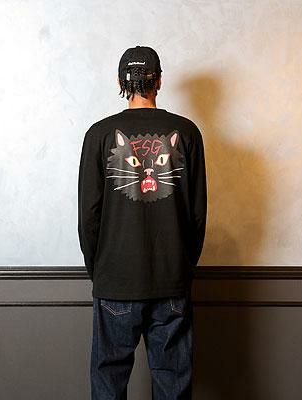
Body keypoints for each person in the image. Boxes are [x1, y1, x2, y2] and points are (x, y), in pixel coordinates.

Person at [78, 45, 207, 400]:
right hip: (171, 279)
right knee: (173, 388)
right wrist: (182, 268)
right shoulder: (187, 133)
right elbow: (197, 215)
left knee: (108, 387)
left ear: (120, 82)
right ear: (159, 81)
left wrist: (100, 271)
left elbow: (88, 216)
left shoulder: (98, 135)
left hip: (115, 281)